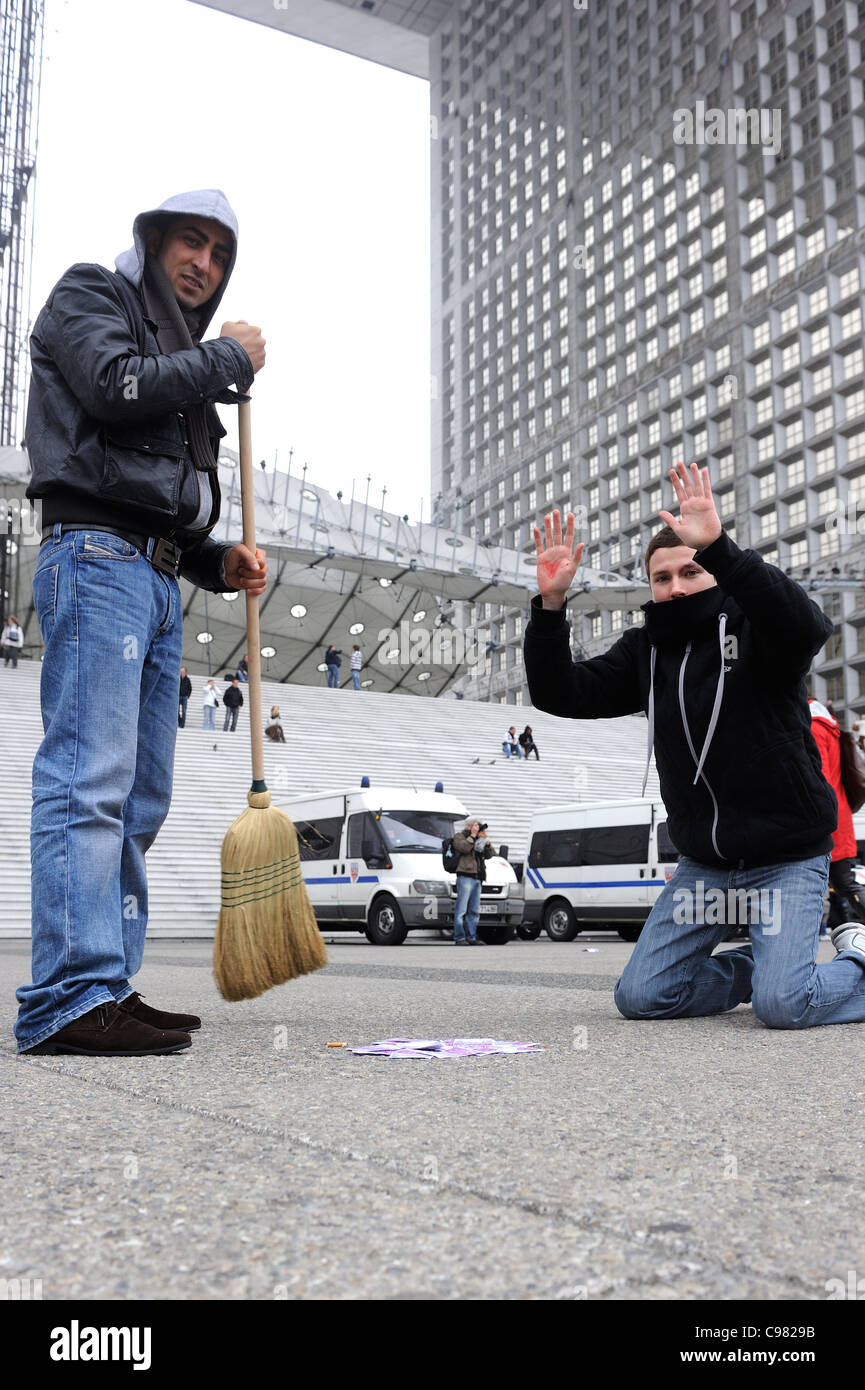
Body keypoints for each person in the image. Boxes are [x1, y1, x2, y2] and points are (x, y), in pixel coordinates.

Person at [16, 189, 268, 1058]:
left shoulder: (187, 356)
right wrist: (227, 358)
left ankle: (104, 984)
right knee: (89, 780)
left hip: (156, 575)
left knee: (138, 800)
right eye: (190, 244)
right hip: (96, 559)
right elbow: (115, 389)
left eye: (220, 255)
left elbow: (161, 497)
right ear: (154, 243)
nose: (204, 264)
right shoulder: (93, 294)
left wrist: (213, 561)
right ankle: (65, 999)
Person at [525, 461, 865, 1030]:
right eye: (663, 579)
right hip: (706, 867)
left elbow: (809, 627)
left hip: (786, 857)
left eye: (690, 571)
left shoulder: (756, 630)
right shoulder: (644, 651)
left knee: (785, 1007)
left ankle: (826, 974)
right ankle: (764, 971)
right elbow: (561, 692)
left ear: (713, 573)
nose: (676, 587)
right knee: (641, 997)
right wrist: (552, 607)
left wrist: (721, 547)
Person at [809, 697, 865, 934]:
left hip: (823, 819)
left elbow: (817, 776)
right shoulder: (827, 725)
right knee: (842, 883)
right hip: (837, 816)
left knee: (834, 884)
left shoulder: (812, 726)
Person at [451, 818, 494, 945]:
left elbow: (489, 855)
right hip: (465, 877)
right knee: (461, 910)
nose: (478, 827)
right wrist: (473, 836)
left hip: (477, 878)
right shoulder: (460, 836)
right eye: (476, 825)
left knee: (474, 911)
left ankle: (471, 937)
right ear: (469, 826)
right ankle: (459, 938)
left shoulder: (479, 838)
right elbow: (464, 848)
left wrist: (487, 844)